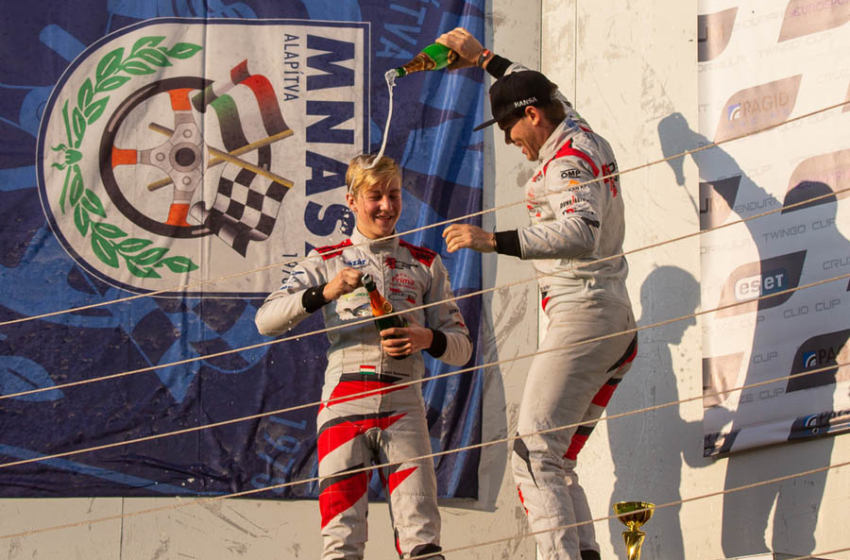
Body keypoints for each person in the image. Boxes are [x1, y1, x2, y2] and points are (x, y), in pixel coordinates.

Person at [438, 28, 638, 560]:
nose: (510, 141)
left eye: (509, 128)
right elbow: (543, 88)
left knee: (532, 453)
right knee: (555, 458)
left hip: (585, 314)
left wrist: (492, 240)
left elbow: (581, 232)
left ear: (532, 116)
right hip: (611, 319)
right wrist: (483, 58)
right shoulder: (577, 129)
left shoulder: (566, 159)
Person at [255, 154, 472, 560]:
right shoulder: (326, 259)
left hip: (404, 408)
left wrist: (426, 337)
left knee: (423, 541)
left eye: (394, 195)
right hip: (343, 406)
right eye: (375, 196)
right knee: (342, 543)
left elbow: (462, 349)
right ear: (351, 200)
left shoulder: (425, 263)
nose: (387, 206)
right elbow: (265, 321)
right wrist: (326, 292)